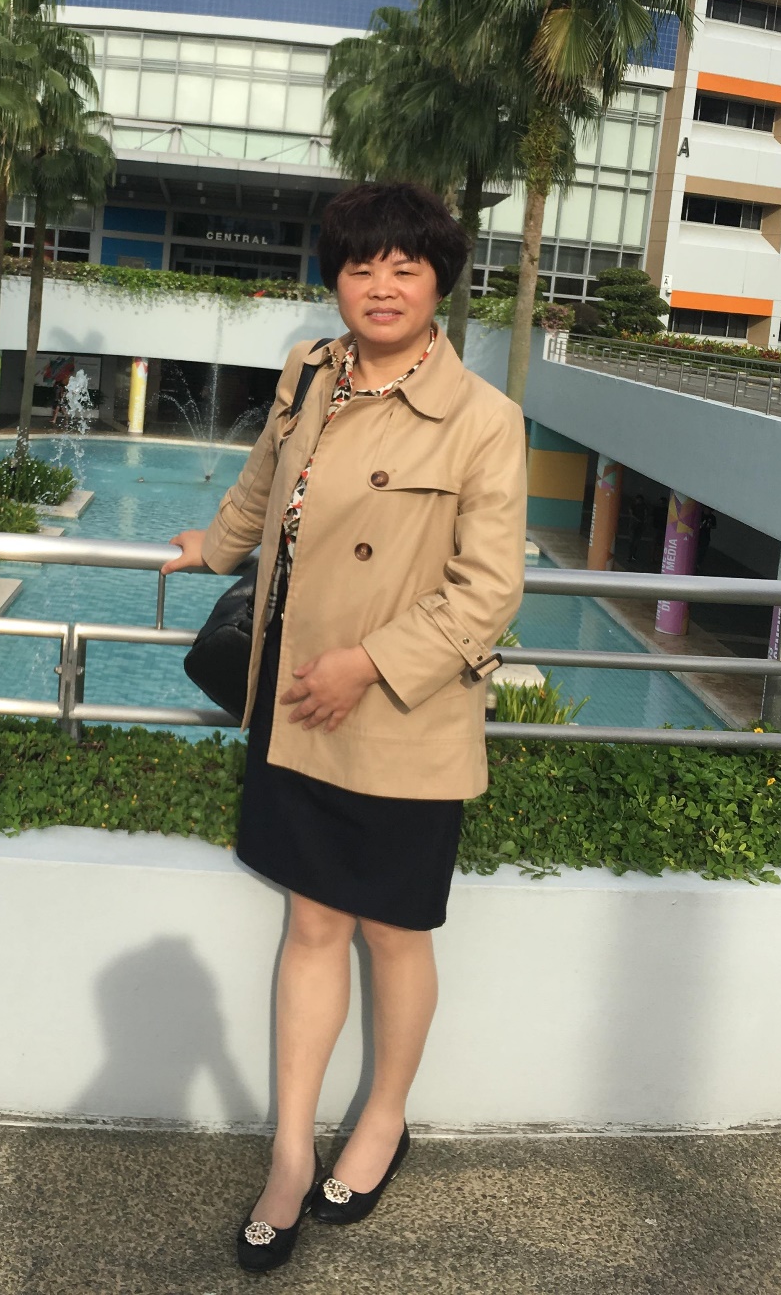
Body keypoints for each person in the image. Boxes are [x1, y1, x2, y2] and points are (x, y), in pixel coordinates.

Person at [163, 182, 527, 1273]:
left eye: (405, 267)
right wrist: (214, 546)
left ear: (438, 283)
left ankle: (381, 1121)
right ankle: (287, 1153)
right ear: (335, 278)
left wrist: (368, 663)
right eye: (361, 265)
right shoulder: (309, 372)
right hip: (295, 701)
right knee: (313, 924)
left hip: (401, 712)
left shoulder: (483, 419)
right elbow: (264, 482)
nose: (381, 285)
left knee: (391, 930)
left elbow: (488, 590)